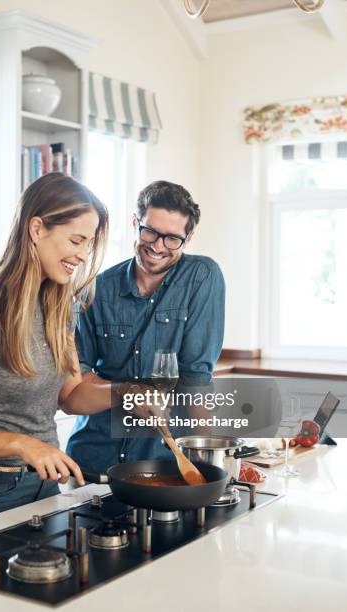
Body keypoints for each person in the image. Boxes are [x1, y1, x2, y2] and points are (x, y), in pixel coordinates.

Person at [0, 173, 129, 527]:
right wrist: (22, 444)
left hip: (44, 487)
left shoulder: (58, 305)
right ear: (36, 229)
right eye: (76, 240)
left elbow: (71, 395)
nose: (82, 254)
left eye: (88, 244)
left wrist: (127, 393)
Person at [66, 180, 226, 473]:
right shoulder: (93, 290)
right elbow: (74, 391)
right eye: (150, 231)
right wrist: (128, 392)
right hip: (94, 462)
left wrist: (214, 463)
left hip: (165, 464)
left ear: (188, 239)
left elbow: (195, 378)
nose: (157, 246)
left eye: (172, 238)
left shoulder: (202, 277)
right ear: (135, 223)